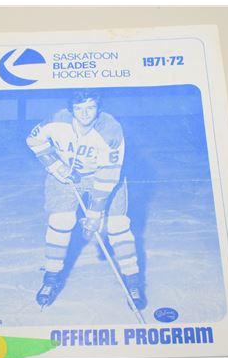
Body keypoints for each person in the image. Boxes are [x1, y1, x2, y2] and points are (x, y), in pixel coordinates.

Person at [26, 90, 146, 310]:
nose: (84, 114)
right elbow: (33, 139)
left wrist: (94, 213)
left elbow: (108, 176)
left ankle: (132, 282)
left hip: (104, 176)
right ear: (71, 109)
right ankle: (51, 278)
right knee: (60, 221)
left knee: (118, 225)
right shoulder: (57, 120)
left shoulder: (110, 129)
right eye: (79, 108)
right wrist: (56, 166)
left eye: (90, 108)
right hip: (67, 174)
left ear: (98, 108)